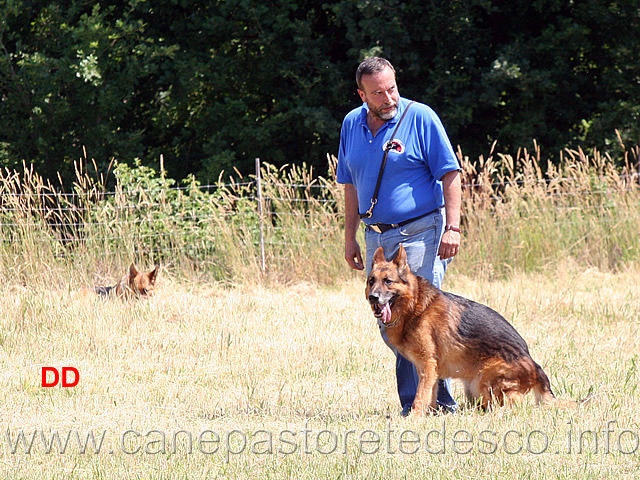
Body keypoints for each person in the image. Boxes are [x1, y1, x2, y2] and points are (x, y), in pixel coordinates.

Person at [337, 57, 462, 415]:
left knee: (418, 317)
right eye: (378, 93)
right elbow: (349, 185)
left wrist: (452, 227)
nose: (388, 98)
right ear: (362, 94)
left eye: (392, 88)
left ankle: (432, 405)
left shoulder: (420, 117)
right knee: (386, 316)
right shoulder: (350, 124)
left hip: (422, 229)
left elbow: (451, 173)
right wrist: (350, 237)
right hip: (376, 236)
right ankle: (428, 397)